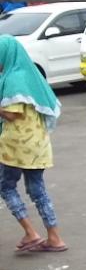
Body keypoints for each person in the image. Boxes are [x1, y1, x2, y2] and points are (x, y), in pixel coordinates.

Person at [0, 35, 67, 253]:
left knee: (6, 186)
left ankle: (30, 232)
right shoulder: (31, 74)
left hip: (16, 145)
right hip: (38, 143)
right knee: (37, 190)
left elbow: (11, 114)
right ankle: (54, 237)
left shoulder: (13, 79)